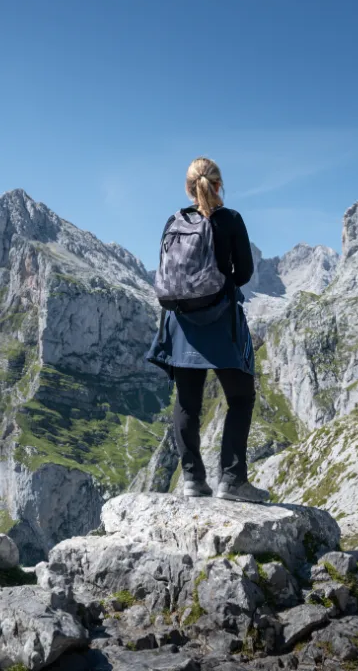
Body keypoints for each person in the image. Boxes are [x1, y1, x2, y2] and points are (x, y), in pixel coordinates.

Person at [147, 157, 269, 504]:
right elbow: (243, 273)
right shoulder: (230, 220)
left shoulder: (175, 221)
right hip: (220, 322)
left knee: (187, 403)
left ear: (189, 187)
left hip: (181, 322)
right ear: (218, 185)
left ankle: (191, 479)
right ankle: (232, 481)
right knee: (241, 398)